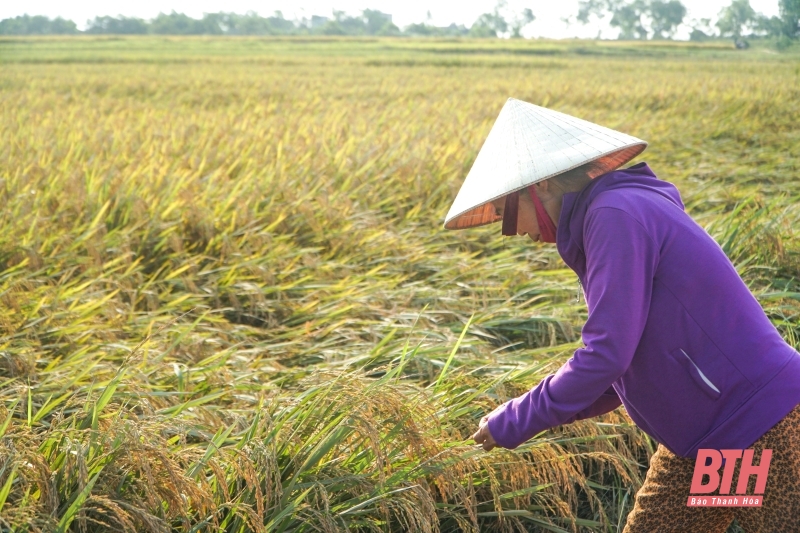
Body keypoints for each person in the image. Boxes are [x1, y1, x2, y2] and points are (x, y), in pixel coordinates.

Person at [444, 98, 800, 532]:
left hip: (757, 425)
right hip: (702, 439)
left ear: (543, 187)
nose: (512, 230)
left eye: (505, 213)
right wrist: (532, 420)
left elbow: (607, 354)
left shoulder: (615, 215)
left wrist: (517, 417)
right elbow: (623, 366)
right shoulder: (608, 217)